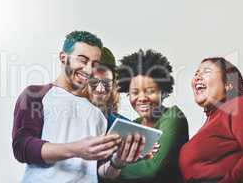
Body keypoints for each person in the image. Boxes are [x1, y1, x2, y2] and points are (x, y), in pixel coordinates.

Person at [12, 31, 144, 183]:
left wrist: (117, 162)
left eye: (94, 64)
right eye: (82, 60)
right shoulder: (35, 94)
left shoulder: (99, 116)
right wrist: (76, 149)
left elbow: (101, 172)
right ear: (63, 57)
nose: (88, 70)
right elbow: (22, 147)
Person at [113, 49, 189, 183]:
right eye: (134, 92)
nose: (142, 98)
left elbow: (151, 170)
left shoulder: (173, 117)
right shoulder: (133, 124)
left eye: (150, 91)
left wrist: (110, 169)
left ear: (164, 92)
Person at [179, 57, 243, 183]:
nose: (197, 77)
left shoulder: (238, 105)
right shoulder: (211, 120)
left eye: (206, 71)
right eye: (196, 73)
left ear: (229, 84)